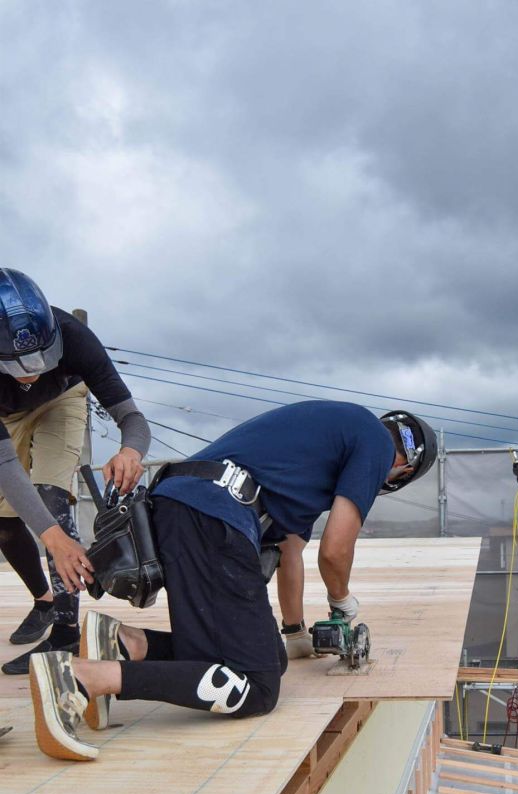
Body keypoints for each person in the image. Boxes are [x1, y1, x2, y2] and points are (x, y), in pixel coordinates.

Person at [27, 400, 437, 761]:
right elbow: (336, 549)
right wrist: (342, 602)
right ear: (402, 469)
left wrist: (294, 633)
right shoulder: (376, 444)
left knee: (272, 660)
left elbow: (291, 553)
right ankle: (81, 678)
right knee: (258, 687)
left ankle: (126, 643)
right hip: (215, 521)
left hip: (182, 508)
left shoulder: (321, 447)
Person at [0, 268, 151, 674]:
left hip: (62, 401)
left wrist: (131, 452)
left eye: (41, 359)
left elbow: (133, 418)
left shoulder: (75, 337)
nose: (32, 372)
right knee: (5, 520)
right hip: (6, 416)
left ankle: (65, 633)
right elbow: (5, 464)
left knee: (50, 497)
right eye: (18, 365)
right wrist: (52, 541)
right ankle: (44, 601)